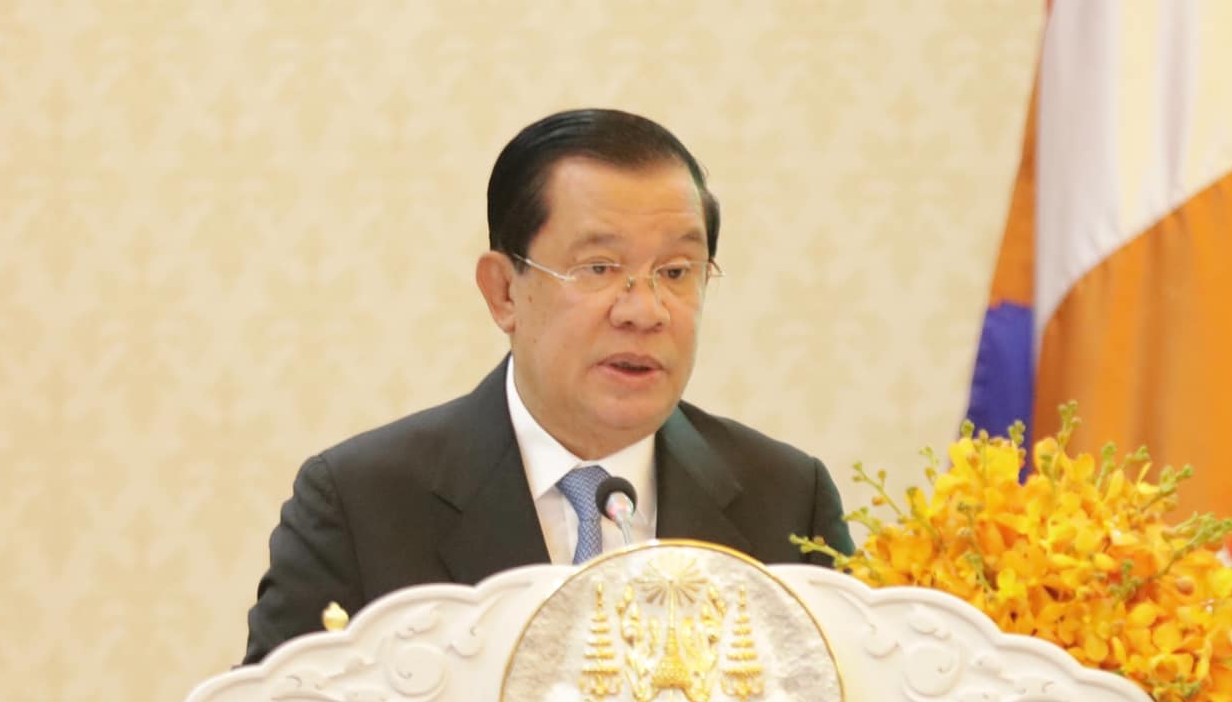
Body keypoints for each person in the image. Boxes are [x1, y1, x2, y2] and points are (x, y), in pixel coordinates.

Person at [241, 109, 853, 667]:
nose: (645, 311)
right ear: (504, 292)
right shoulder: (361, 506)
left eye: (675, 272)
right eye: (599, 269)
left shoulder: (786, 501)